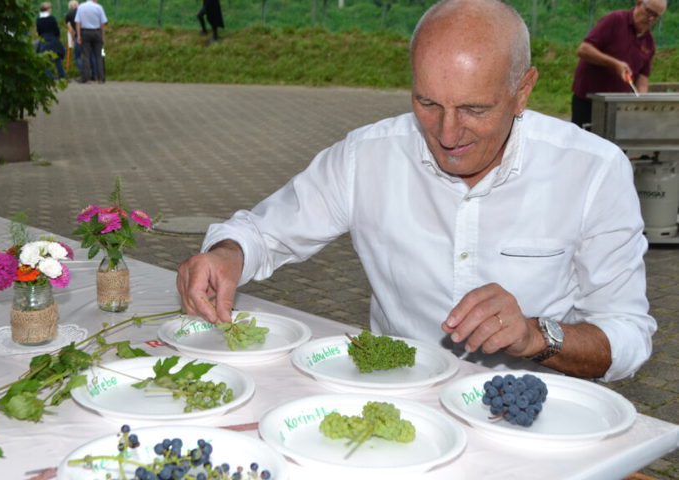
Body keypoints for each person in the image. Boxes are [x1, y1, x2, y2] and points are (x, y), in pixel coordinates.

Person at [176, 0, 655, 382]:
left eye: (474, 109)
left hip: (537, 414)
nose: (448, 134)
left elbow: (628, 335)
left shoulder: (592, 170)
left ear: (523, 90)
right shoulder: (367, 156)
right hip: (397, 394)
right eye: (427, 103)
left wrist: (536, 336)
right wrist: (226, 254)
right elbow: (263, 233)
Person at [571, 0, 667, 128]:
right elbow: (584, 50)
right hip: (589, 101)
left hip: (619, 108)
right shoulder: (615, 20)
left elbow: (643, 79)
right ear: (638, 3)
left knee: (618, 146)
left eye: (655, 16)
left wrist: (640, 103)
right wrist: (614, 63)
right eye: (649, 12)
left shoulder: (649, 43)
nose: (650, 18)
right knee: (583, 145)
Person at [75, 0, 108, 83]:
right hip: (97, 32)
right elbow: (102, 23)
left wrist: (79, 35)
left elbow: (78, 22)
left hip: (85, 32)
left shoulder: (81, 7)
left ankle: (85, 77)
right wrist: (103, 36)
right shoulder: (99, 7)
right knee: (98, 56)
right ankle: (101, 77)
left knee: (86, 55)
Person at [36, 2, 67, 79]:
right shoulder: (52, 18)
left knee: (46, 58)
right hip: (53, 39)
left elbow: (39, 31)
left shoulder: (38, 19)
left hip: (44, 39)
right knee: (57, 58)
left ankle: (48, 76)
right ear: (48, 9)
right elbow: (56, 30)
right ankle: (62, 75)